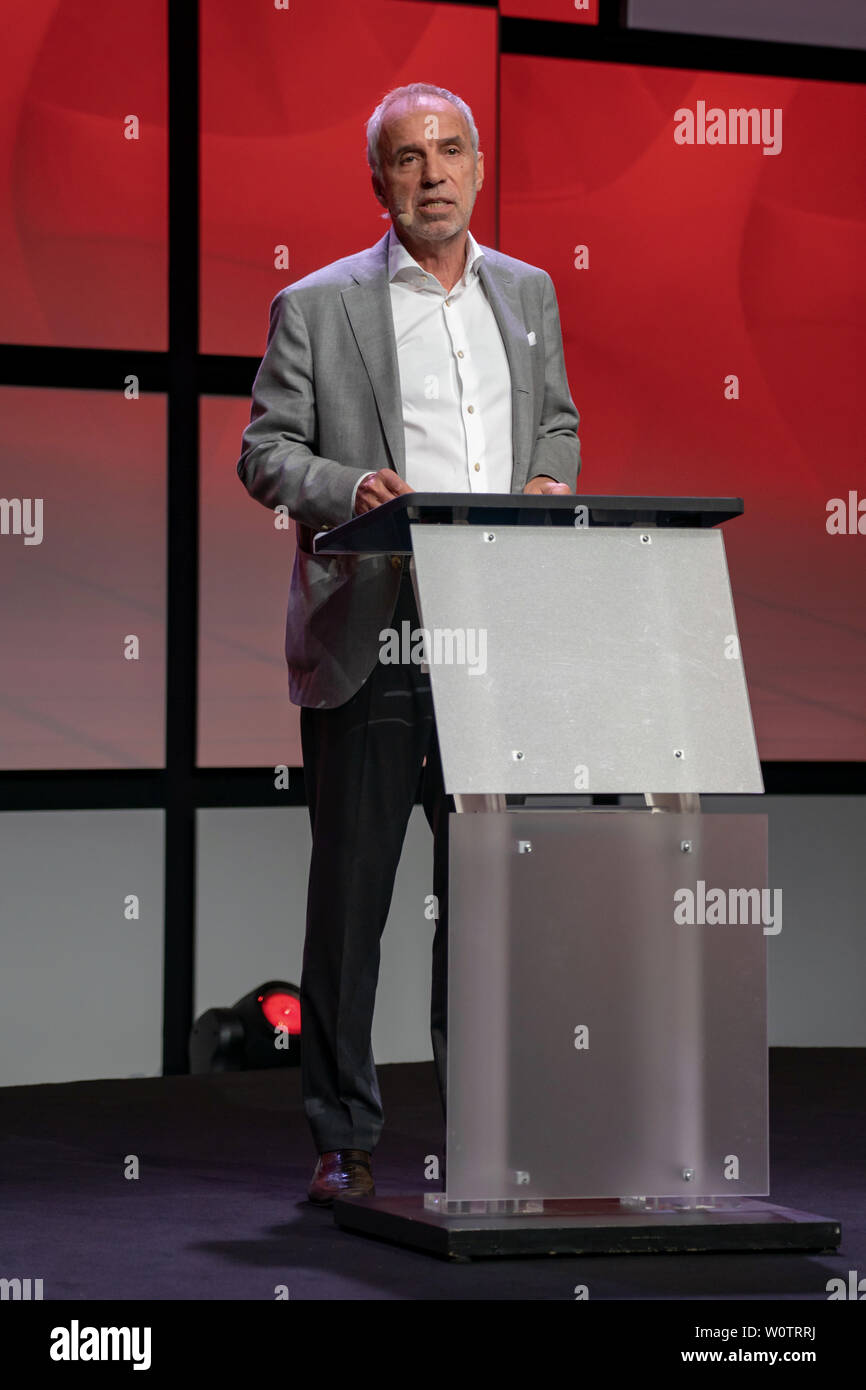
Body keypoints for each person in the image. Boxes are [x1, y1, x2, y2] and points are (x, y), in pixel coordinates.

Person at [237, 82, 581, 1205]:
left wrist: (545, 479)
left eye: (448, 151)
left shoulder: (525, 294)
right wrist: (346, 485)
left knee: (486, 896)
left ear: (477, 166)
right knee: (352, 899)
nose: (430, 173)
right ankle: (343, 1135)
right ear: (376, 182)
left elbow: (557, 418)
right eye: (405, 158)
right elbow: (266, 451)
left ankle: (484, 1132)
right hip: (373, 629)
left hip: (497, 633)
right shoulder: (318, 304)